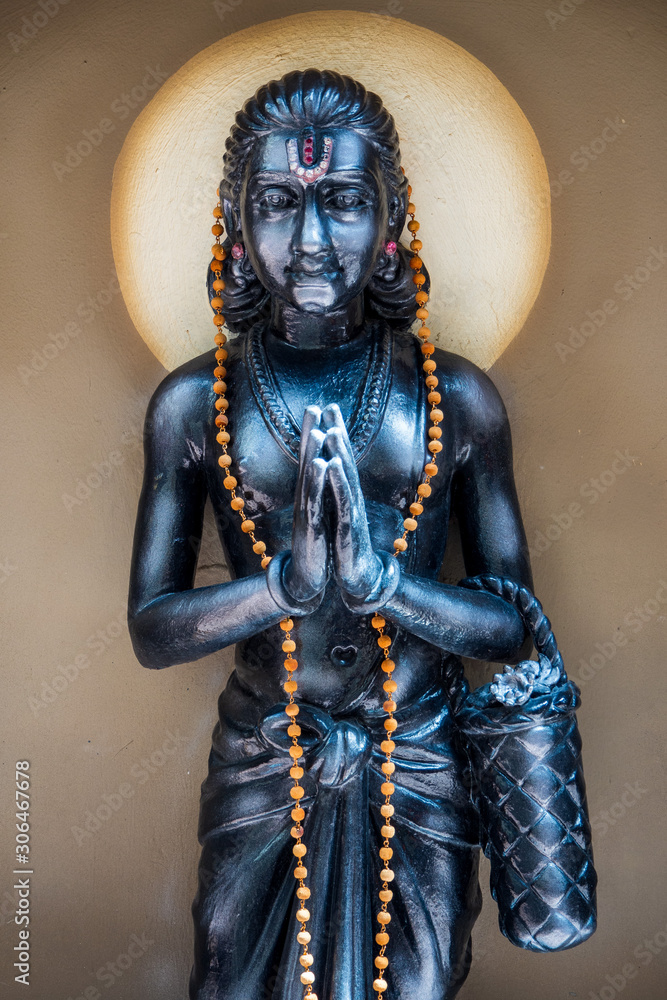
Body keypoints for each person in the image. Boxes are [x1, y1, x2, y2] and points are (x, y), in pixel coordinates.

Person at [128, 69, 533, 1000]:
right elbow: (153, 627)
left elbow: (512, 623)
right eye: (277, 204)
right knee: (230, 973)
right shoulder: (197, 404)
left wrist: (383, 584)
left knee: (424, 983)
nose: (310, 243)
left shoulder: (453, 398)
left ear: (391, 224)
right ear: (236, 226)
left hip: (417, 756)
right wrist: (283, 589)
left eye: (343, 202)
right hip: (267, 753)